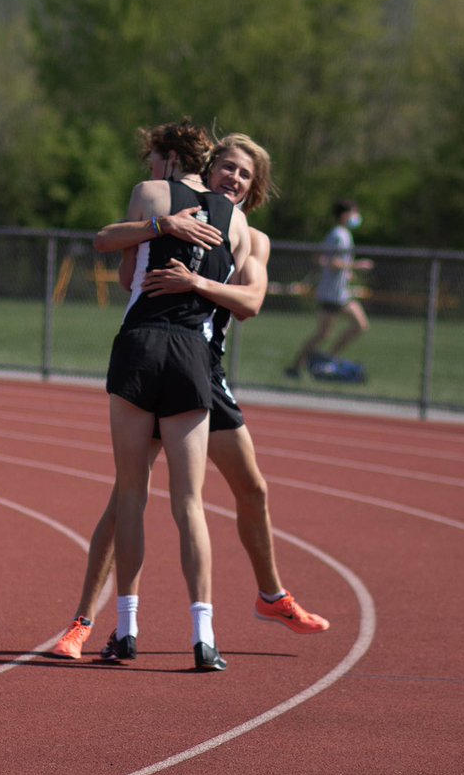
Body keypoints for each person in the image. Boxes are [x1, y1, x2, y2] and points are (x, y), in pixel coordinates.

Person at [50, 132, 328, 665]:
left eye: (245, 173)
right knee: (127, 494)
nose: (234, 178)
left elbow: (250, 301)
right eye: (226, 167)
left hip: (205, 368)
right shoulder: (181, 209)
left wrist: (194, 283)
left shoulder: (251, 237)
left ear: (257, 186)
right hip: (170, 353)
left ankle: (270, 596)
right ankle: (85, 619)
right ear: (209, 170)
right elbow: (129, 270)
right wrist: (158, 235)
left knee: (252, 488)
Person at [96, 120, 251, 671]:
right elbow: (244, 294)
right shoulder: (240, 223)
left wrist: (159, 226)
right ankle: (204, 638)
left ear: (164, 157)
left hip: (140, 346)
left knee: (132, 494)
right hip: (193, 355)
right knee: (190, 504)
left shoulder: (152, 193)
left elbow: (107, 245)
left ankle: (126, 629)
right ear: (207, 161)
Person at [285, 199, 373, 380]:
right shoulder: (338, 235)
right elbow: (329, 260)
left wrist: (347, 272)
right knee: (325, 333)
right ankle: (300, 365)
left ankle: (324, 360)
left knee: (357, 326)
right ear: (343, 215)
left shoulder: (342, 234)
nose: (356, 217)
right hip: (332, 295)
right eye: (353, 213)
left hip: (340, 293)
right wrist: (356, 266)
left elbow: (326, 259)